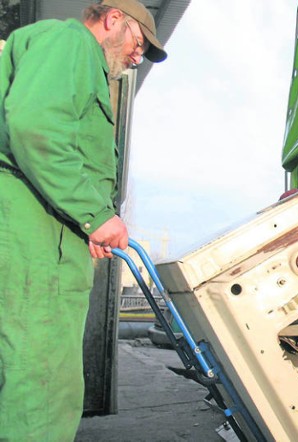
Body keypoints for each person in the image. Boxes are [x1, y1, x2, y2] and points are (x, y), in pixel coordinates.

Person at [0, 0, 166, 439]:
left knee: (27, 365)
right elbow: (36, 127)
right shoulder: (71, 42)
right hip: (34, 230)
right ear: (113, 19)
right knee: (41, 373)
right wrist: (95, 216)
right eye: (139, 43)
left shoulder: (73, 57)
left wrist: (84, 220)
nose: (137, 56)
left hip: (43, 223)